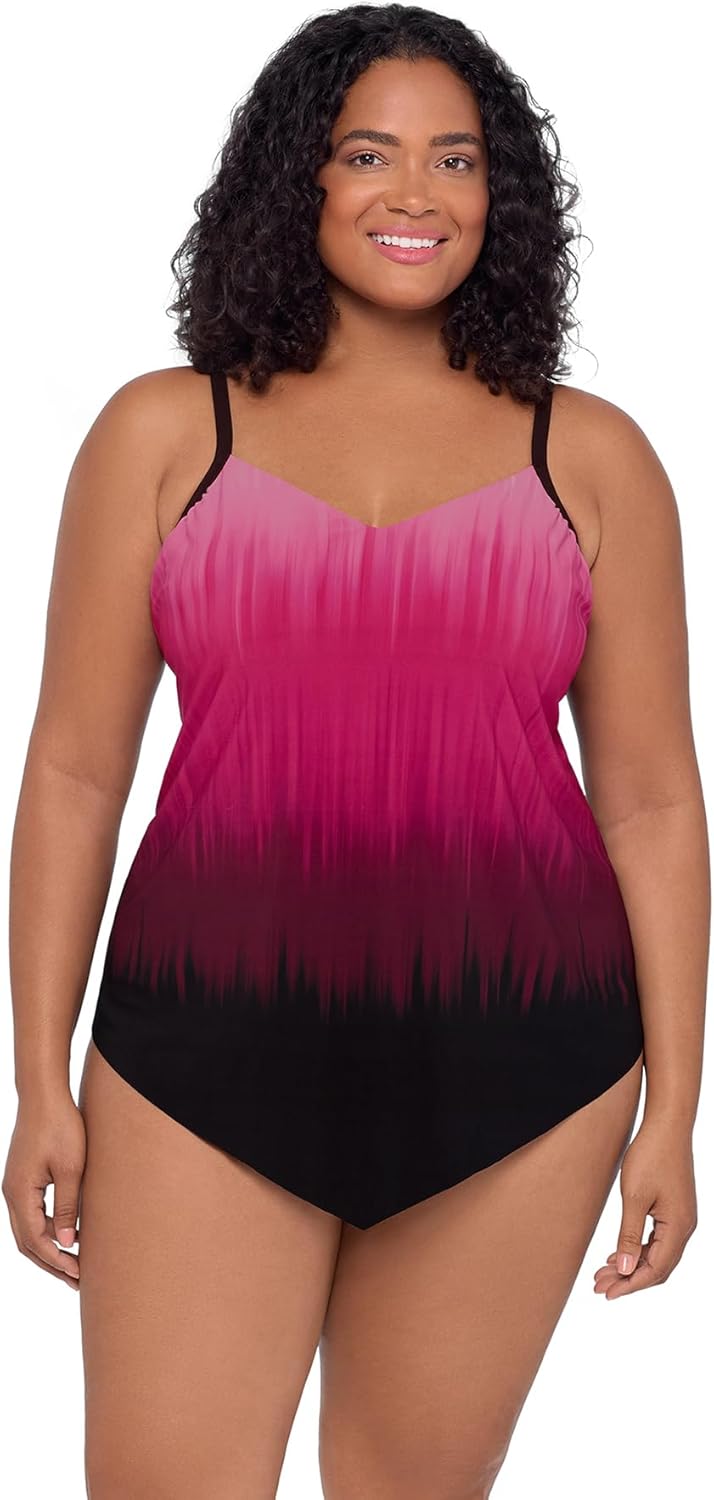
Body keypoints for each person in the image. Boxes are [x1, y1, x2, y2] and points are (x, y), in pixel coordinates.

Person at [3, 5, 707, 1497]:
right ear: (298, 179)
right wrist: (39, 1081)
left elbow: (650, 803)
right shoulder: (163, 433)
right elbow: (72, 773)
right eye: (368, 152)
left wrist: (676, 1113)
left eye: (456, 159)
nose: (416, 194)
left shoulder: (591, 458)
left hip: (525, 1061)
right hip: (199, 1047)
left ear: (499, 194)